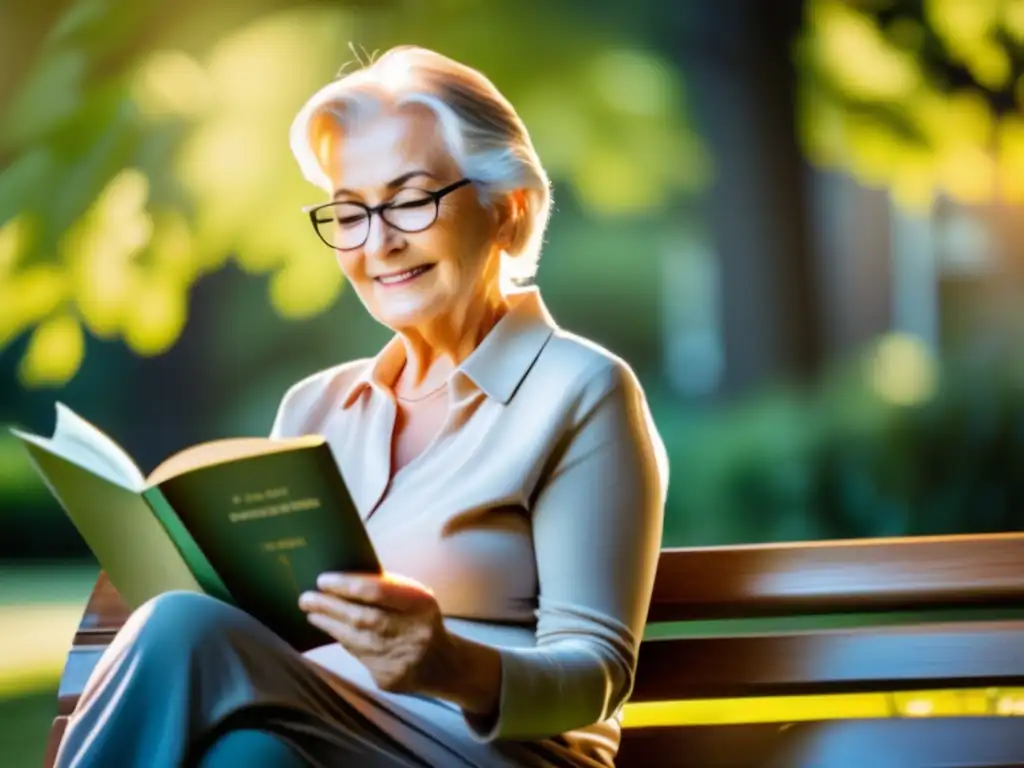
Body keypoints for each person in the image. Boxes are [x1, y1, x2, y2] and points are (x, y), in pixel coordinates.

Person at [54, 45, 668, 768]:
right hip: (313, 728)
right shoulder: (316, 406)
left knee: (180, 628)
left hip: (493, 754)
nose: (379, 243)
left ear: (508, 210)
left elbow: (597, 671)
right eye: (350, 213)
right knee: (249, 759)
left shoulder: (583, 390)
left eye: (411, 200)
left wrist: (446, 661)